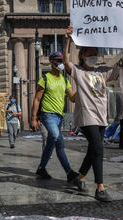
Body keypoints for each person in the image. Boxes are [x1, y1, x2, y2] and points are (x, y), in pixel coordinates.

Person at [63, 26, 123, 202]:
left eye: (95, 53)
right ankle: (100, 188)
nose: (93, 56)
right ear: (82, 55)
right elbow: (66, 61)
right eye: (90, 53)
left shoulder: (102, 72)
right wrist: (67, 39)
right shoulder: (78, 71)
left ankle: (78, 177)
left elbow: (119, 69)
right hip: (86, 116)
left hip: (101, 117)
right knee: (98, 149)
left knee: (93, 150)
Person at [30, 51, 86, 192]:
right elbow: (37, 99)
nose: (60, 62)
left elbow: (72, 97)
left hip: (59, 117)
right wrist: (33, 118)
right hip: (47, 115)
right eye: (57, 60)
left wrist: (82, 87)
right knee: (57, 138)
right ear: (51, 62)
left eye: (62, 60)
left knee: (50, 144)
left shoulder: (64, 80)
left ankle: (41, 169)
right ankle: (69, 173)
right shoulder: (45, 78)